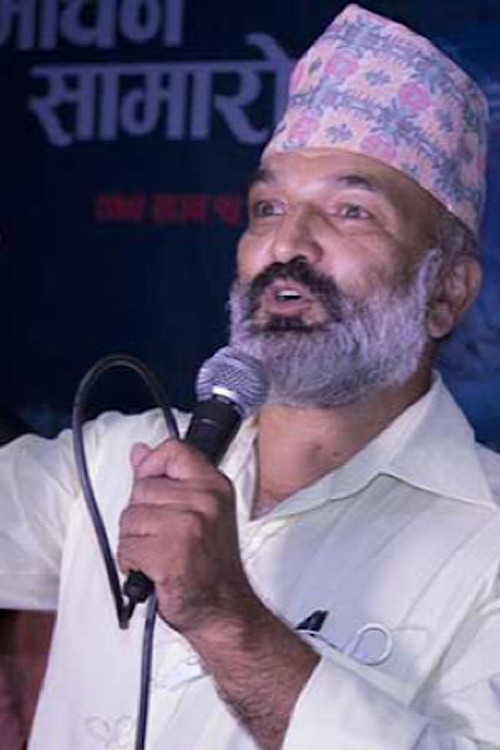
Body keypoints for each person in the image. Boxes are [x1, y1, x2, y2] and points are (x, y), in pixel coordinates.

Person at [1, 4, 499, 749]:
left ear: (446, 293)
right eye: (267, 207)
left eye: (351, 210)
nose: (288, 243)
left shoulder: (488, 541)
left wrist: (224, 618)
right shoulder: (110, 464)